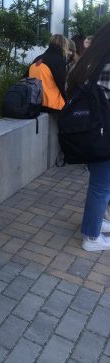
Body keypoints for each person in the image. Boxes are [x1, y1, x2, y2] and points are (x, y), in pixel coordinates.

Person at [67, 22, 110, 251]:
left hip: (90, 132)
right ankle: (92, 238)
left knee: (99, 184)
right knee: (101, 187)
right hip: (104, 133)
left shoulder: (89, 61)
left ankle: (94, 223)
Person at [27, 34, 68, 113]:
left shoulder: (38, 59)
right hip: (52, 106)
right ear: (64, 46)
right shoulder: (58, 61)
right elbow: (62, 85)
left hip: (35, 103)